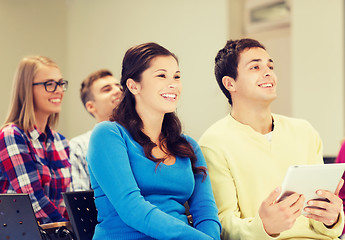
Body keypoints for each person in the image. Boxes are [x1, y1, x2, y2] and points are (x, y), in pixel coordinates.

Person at [199, 38, 344, 239]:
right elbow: (223, 223)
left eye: (270, 66)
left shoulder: (304, 131)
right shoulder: (213, 142)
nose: (268, 72)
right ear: (230, 83)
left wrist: (332, 218)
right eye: (255, 67)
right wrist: (266, 227)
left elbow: (321, 220)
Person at [87, 42, 221, 239]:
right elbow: (132, 208)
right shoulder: (108, 135)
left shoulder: (188, 145)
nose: (173, 84)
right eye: (162, 75)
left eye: (177, 76)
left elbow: (206, 211)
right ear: (133, 86)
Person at [0, 56, 71, 224]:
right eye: (49, 84)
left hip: (54, 232)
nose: (59, 91)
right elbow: (33, 201)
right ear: (27, 89)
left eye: (61, 83)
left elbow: (65, 202)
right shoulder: (12, 135)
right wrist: (71, 231)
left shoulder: (61, 142)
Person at [69, 69, 122, 191]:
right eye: (107, 89)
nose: (118, 91)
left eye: (118, 86)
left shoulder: (140, 137)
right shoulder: (79, 147)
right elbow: (80, 199)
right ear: (91, 106)